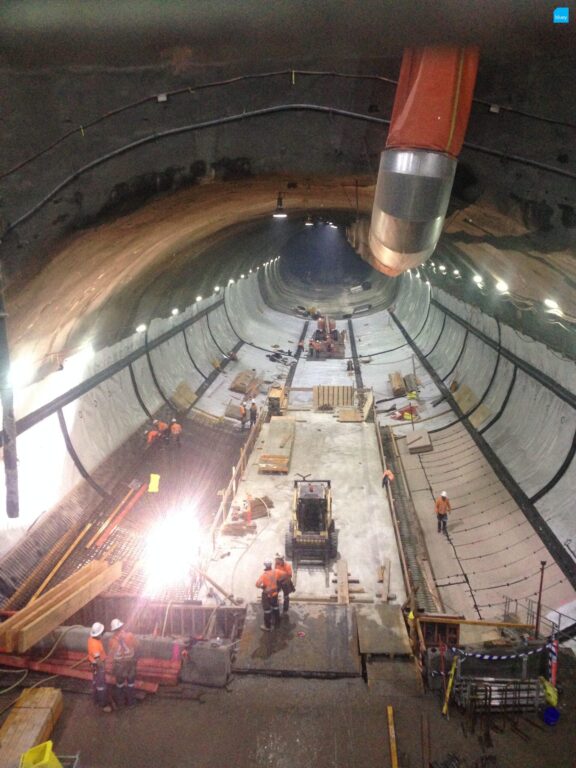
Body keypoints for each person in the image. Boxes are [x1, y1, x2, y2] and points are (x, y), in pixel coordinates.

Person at [108, 618, 138, 707]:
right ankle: (131, 703)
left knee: (119, 685)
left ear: (113, 630)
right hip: (130, 665)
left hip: (119, 666)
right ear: (122, 626)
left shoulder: (112, 641)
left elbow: (111, 653)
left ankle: (120, 703)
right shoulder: (130, 636)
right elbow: (137, 646)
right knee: (130, 684)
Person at [87, 622, 112, 713]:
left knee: (95, 682)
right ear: (98, 634)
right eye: (102, 633)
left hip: (94, 665)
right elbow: (98, 660)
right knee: (101, 685)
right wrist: (104, 668)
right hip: (98, 666)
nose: (103, 634)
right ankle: (103, 704)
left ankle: (96, 699)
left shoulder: (91, 639)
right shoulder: (95, 645)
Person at [255, 560, 280, 631]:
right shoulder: (276, 572)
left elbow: (257, 584)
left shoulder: (264, 575)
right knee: (275, 607)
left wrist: (263, 587)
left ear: (265, 566)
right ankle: (277, 621)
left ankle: (267, 626)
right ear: (271, 565)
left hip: (267, 595)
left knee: (267, 610)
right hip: (275, 594)